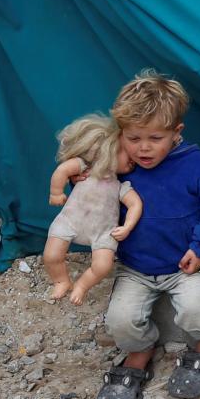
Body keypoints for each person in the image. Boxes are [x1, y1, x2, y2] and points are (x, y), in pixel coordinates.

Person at [95, 70, 200, 399]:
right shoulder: (120, 168)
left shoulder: (197, 166)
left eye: (155, 138)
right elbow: (93, 202)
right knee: (120, 319)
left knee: (199, 309)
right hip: (135, 266)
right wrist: (81, 180)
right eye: (134, 138)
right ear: (121, 135)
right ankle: (140, 353)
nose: (143, 148)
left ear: (176, 134)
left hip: (183, 264)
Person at [43, 115, 143, 305]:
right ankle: (61, 280)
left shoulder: (121, 186)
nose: (134, 160)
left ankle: (82, 285)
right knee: (51, 255)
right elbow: (62, 170)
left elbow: (135, 204)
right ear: (110, 148)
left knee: (103, 265)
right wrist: (56, 192)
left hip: (103, 231)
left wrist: (128, 226)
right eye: (128, 155)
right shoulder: (86, 168)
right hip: (70, 220)